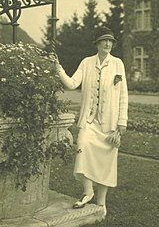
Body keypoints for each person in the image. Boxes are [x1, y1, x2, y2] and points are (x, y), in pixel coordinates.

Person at [54, 26, 128, 217]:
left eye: (111, 41)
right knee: (82, 148)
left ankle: (101, 203)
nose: (108, 44)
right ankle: (88, 191)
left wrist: (121, 124)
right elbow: (71, 84)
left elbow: (123, 95)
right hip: (88, 121)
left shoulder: (117, 64)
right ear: (97, 43)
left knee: (106, 162)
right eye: (104, 40)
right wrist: (58, 68)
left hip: (110, 125)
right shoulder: (86, 63)